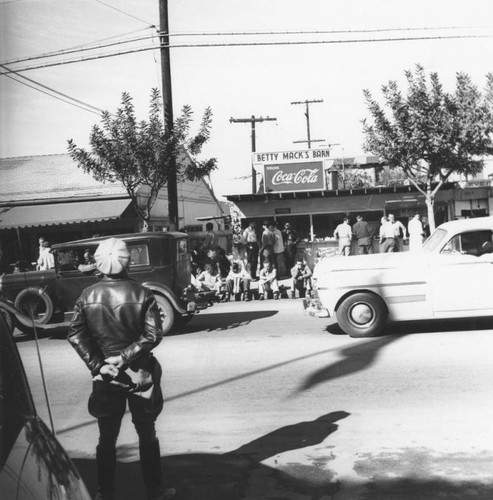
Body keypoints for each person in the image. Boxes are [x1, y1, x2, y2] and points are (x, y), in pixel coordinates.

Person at [67, 238, 175, 500]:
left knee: (107, 438)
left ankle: (104, 493)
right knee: (147, 432)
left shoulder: (87, 295)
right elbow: (152, 336)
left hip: (106, 377)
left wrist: (101, 365)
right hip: (140, 374)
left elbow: (76, 335)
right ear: (128, 261)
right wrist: (125, 358)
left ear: (99, 263)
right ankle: (155, 492)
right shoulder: (142, 293)